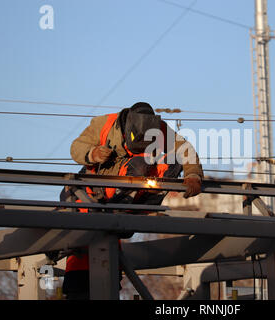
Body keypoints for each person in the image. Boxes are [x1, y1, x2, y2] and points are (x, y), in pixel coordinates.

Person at [60, 102, 203, 299]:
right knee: (86, 247)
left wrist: (193, 175)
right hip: (90, 192)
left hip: (126, 197)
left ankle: (129, 210)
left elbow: (185, 148)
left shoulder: (159, 129)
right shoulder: (103, 124)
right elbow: (76, 147)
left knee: (165, 164)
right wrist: (93, 153)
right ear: (126, 130)